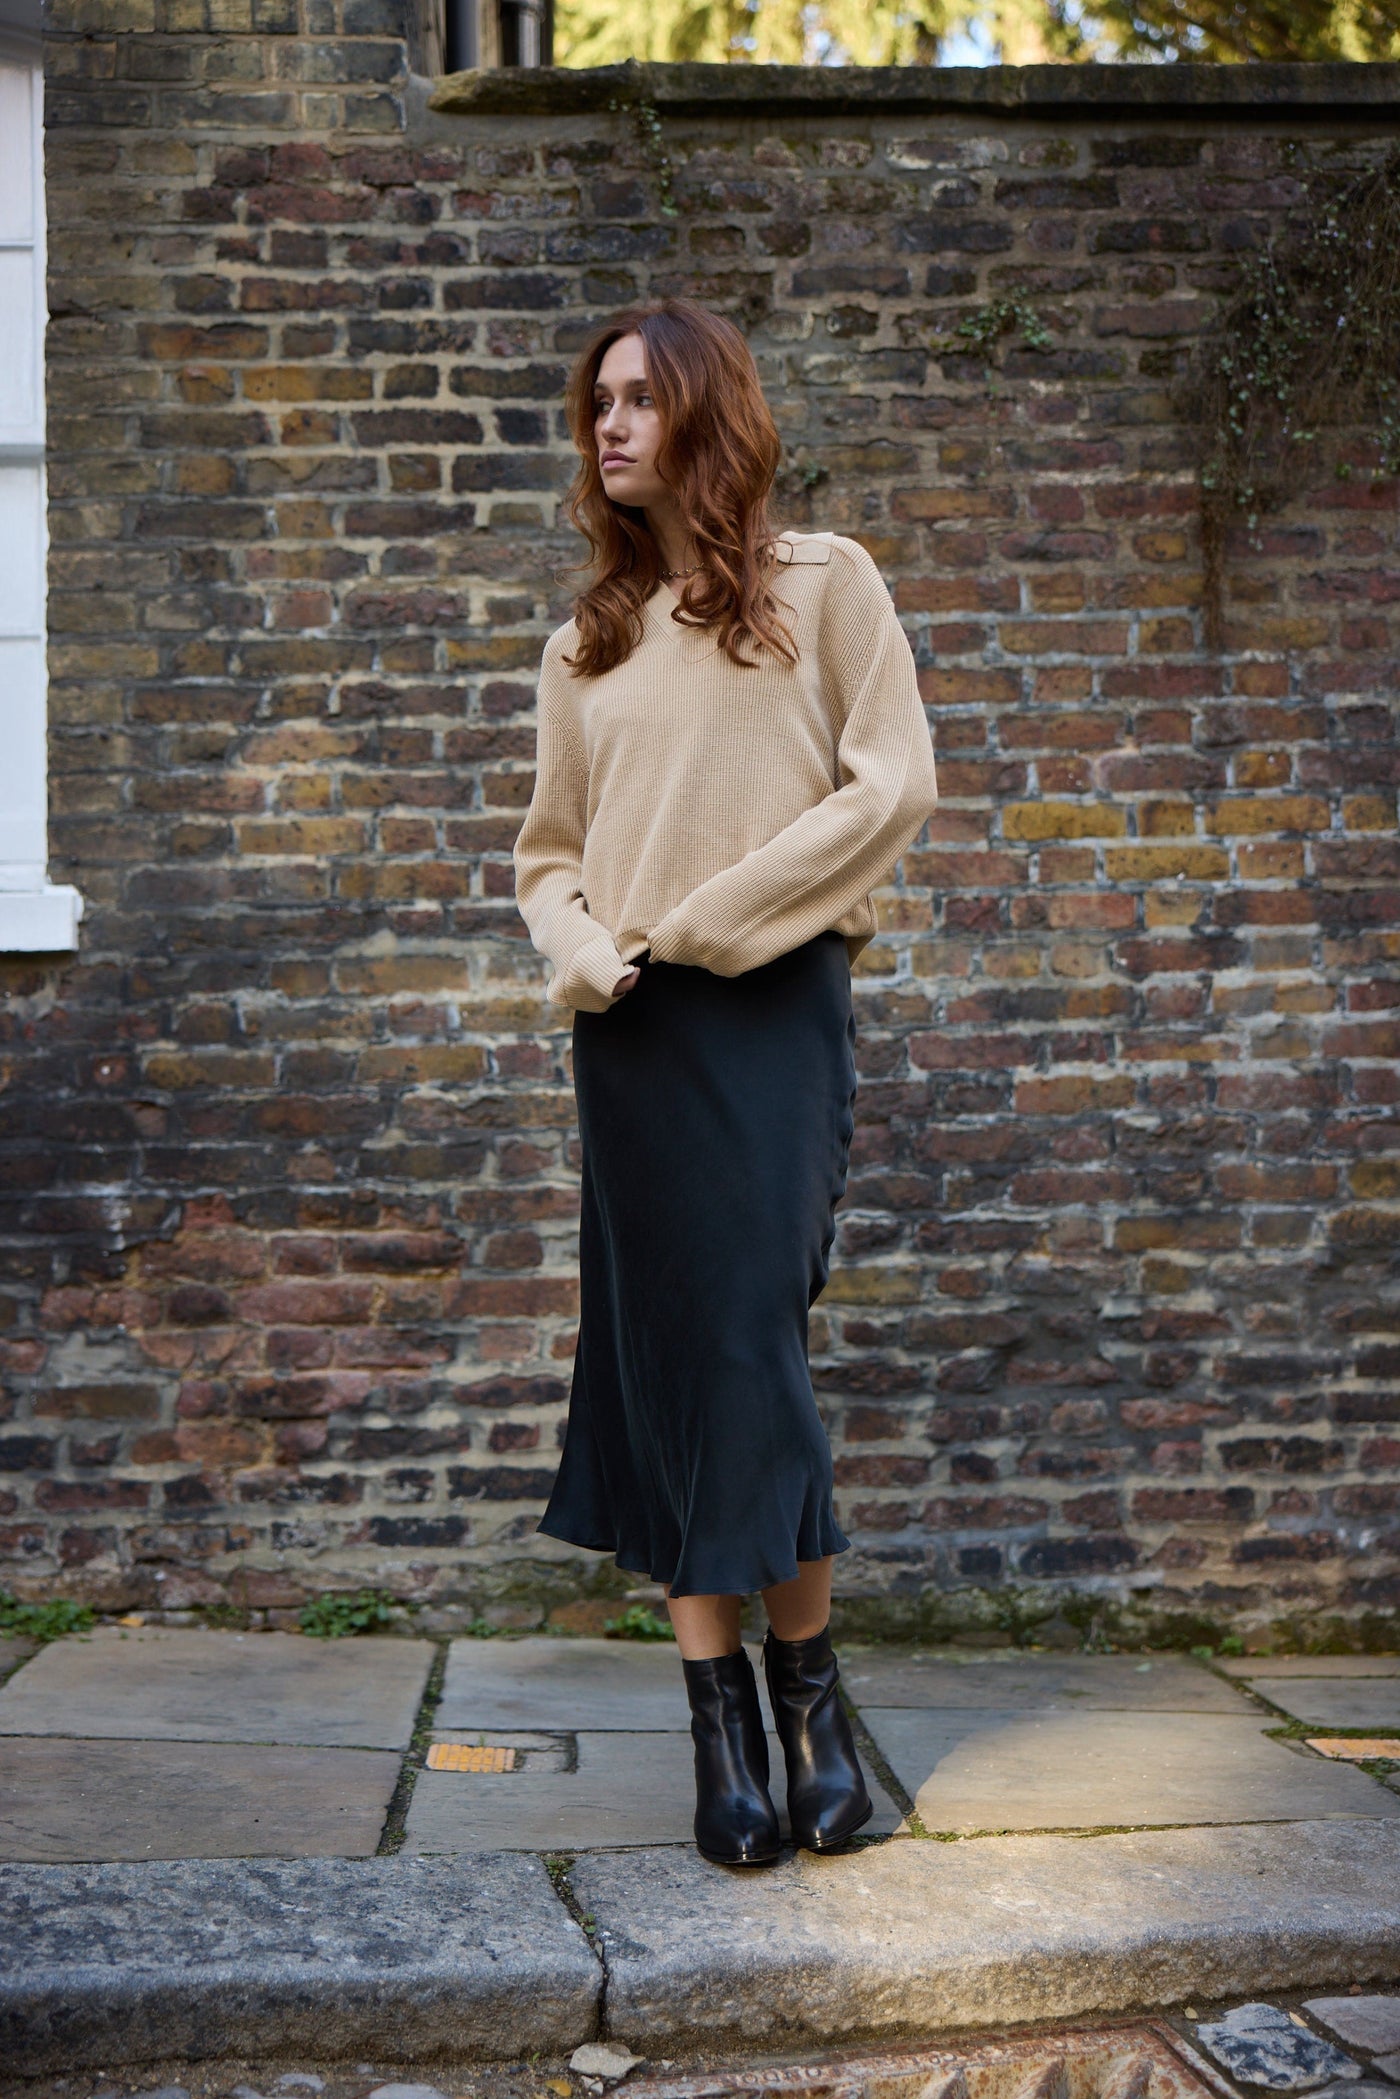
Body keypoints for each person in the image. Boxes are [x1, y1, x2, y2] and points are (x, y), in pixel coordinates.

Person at [511, 296, 939, 1868]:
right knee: (668, 1368)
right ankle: (724, 1730)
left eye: (639, 397)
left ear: (706, 412)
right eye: (597, 403)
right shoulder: (585, 646)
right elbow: (549, 856)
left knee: (754, 1354)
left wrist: (716, 917)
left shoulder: (827, 586)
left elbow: (892, 785)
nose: (610, 425)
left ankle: (809, 1692)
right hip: (633, 1032)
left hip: (771, 1020)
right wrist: (584, 950)